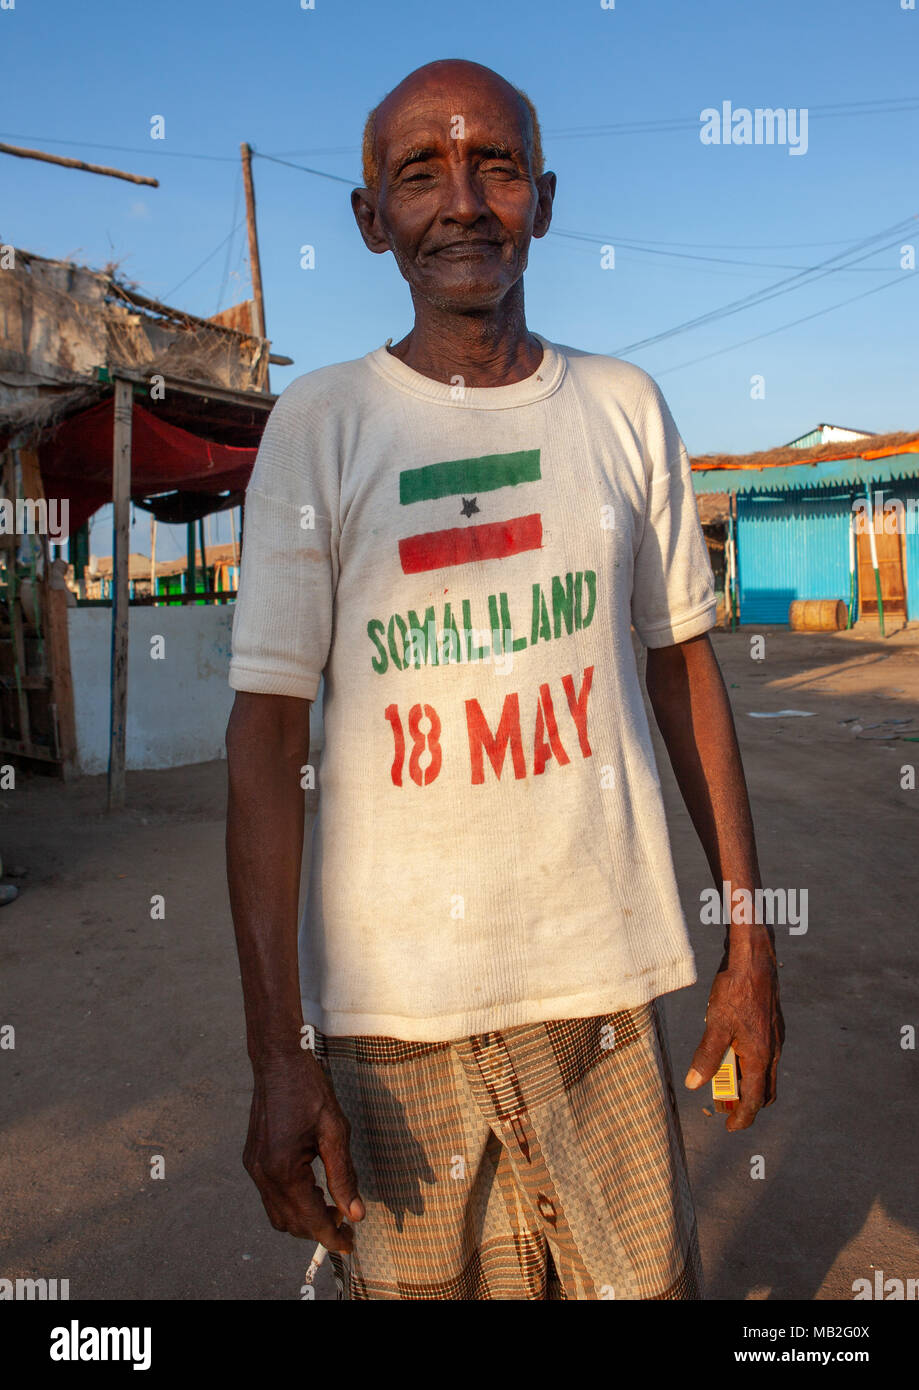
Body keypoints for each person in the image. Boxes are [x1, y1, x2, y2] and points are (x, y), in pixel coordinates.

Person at [225, 58, 783, 1301]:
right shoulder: (320, 426)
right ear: (372, 220)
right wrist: (279, 1050)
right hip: (386, 1023)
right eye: (419, 173)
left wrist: (751, 945)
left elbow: (683, 669)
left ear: (544, 194)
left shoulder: (625, 408)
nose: (463, 202)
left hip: (601, 1000)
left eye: (496, 167)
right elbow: (264, 743)